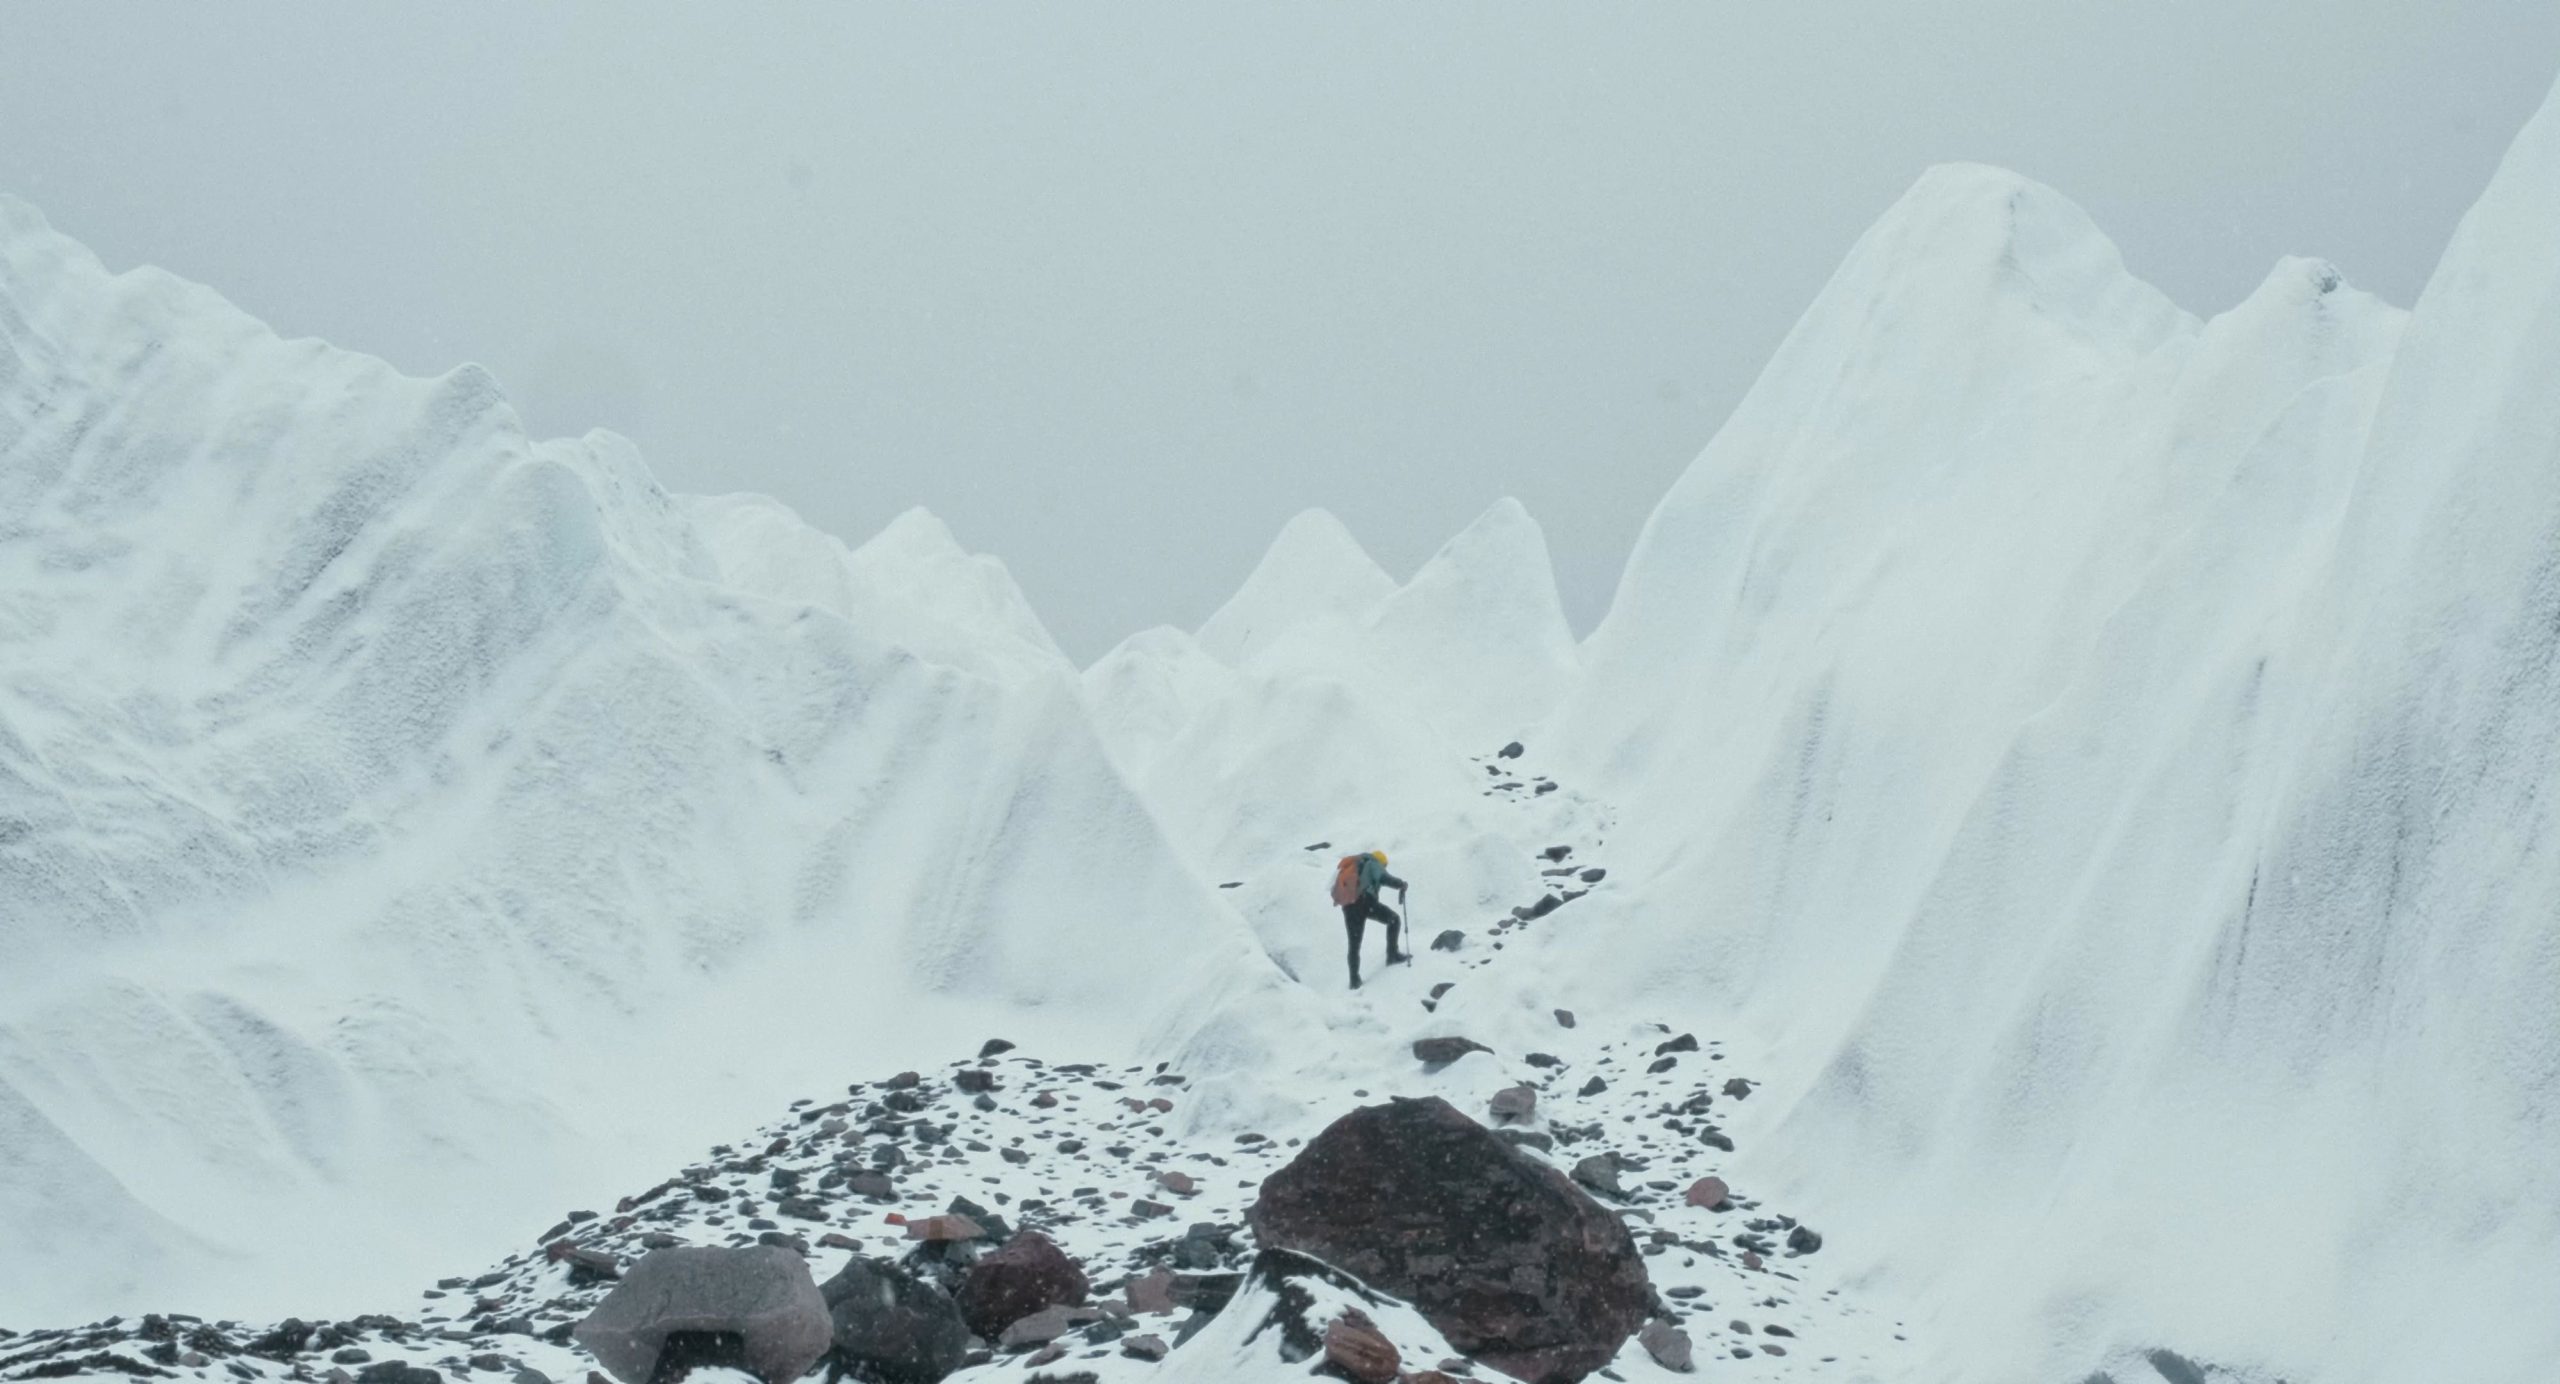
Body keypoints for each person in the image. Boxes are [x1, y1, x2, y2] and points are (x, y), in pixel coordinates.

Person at [1337, 849, 1408, 990]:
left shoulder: (1359, 865)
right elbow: (1383, 878)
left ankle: (1354, 980)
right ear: (1382, 862)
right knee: (1394, 919)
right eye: (1385, 866)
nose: (1384, 868)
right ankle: (1392, 955)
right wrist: (1401, 884)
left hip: (1349, 907)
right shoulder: (1373, 863)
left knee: (1354, 944)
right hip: (1365, 902)